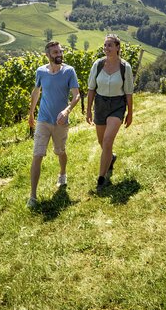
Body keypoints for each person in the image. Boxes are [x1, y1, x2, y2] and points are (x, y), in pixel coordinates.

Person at [27, 40, 80, 208]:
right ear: (48, 55)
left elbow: (77, 95)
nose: (59, 54)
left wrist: (67, 111)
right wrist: (31, 114)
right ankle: (33, 196)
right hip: (43, 119)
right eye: (55, 52)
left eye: (60, 51)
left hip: (60, 122)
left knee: (60, 151)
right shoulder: (40, 72)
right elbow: (36, 92)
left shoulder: (69, 71)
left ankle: (63, 173)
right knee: (37, 155)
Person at [85, 34, 134, 191]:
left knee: (107, 141)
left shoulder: (125, 67)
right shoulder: (98, 65)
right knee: (102, 142)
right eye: (105, 45)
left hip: (117, 105)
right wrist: (88, 110)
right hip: (100, 104)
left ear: (118, 47)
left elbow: (128, 92)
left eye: (110, 45)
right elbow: (91, 88)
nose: (106, 48)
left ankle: (101, 178)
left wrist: (130, 113)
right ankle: (111, 158)